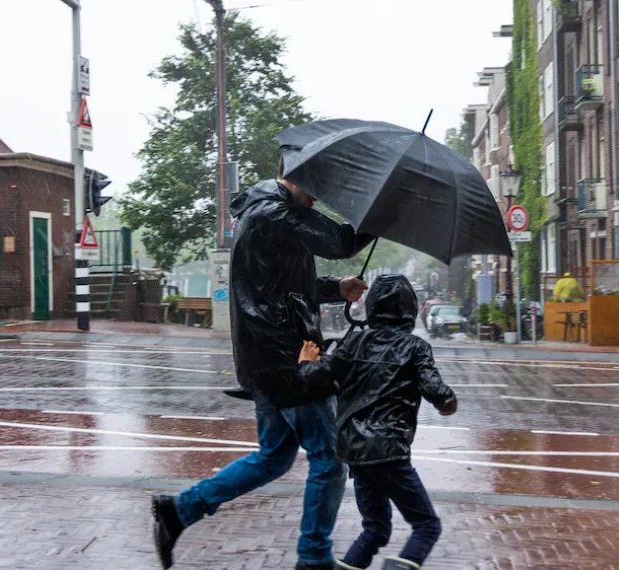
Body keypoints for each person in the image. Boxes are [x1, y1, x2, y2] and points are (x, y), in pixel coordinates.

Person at [152, 160, 374, 570]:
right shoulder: (275, 212)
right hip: (288, 360)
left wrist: (336, 287)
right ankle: (314, 560)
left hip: (266, 359)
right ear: (297, 176)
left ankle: (179, 510)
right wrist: (379, 214)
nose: (317, 198)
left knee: (274, 456)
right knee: (330, 459)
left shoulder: (263, 212)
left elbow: (284, 285)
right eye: (315, 188)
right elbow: (340, 242)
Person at [298, 274, 457, 570]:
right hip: (389, 450)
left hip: (355, 450)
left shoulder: (354, 342)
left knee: (375, 529)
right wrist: (448, 402)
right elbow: (436, 390)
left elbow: (317, 377)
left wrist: (307, 362)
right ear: (410, 308)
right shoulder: (415, 347)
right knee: (427, 526)